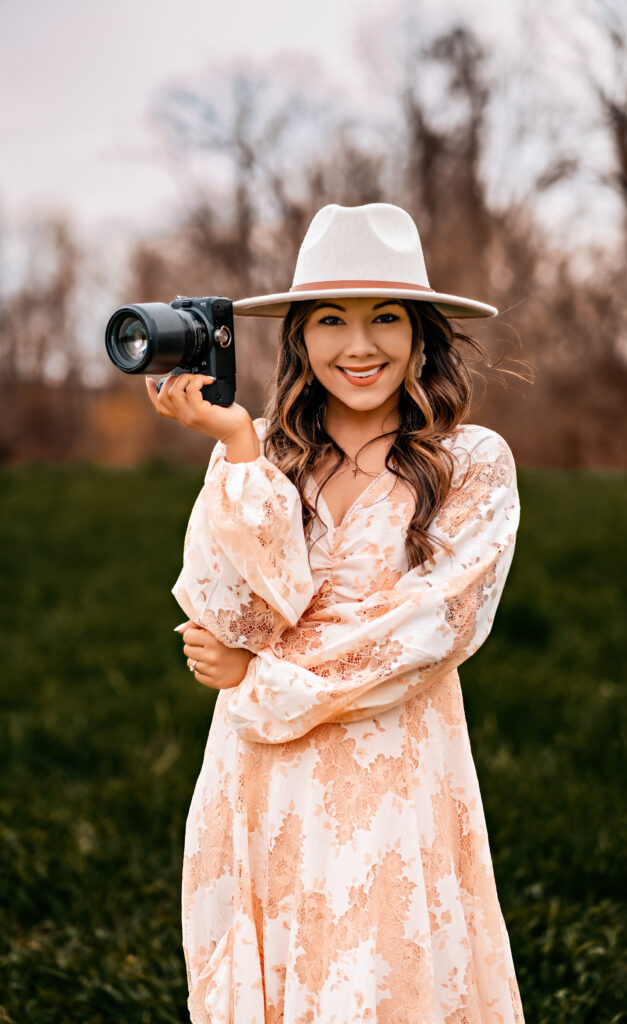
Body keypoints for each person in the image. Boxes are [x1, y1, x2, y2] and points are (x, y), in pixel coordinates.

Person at [145, 203, 525, 1023]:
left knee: (376, 976)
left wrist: (260, 676)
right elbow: (224, 614)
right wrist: (236, 448)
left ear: (420, 334)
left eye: (384, 317)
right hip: (262, 779)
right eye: (330, 320)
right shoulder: (260, 451)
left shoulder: (470, 462)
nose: (358, 346)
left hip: (391, 773)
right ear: (299, 338)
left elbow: (432, 629)